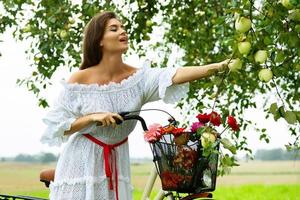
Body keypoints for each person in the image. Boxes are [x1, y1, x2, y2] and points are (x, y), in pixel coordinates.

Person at [41, 11, 230, 200]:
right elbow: (58, 127)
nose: (122, 31)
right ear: (99, 40)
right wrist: (92, 117)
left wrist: (219, 67)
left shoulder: (138, 79)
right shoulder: (79, 79)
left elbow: (175, 74)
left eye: (123, 27)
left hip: (118, 159)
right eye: (114, 29)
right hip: (82, 162)